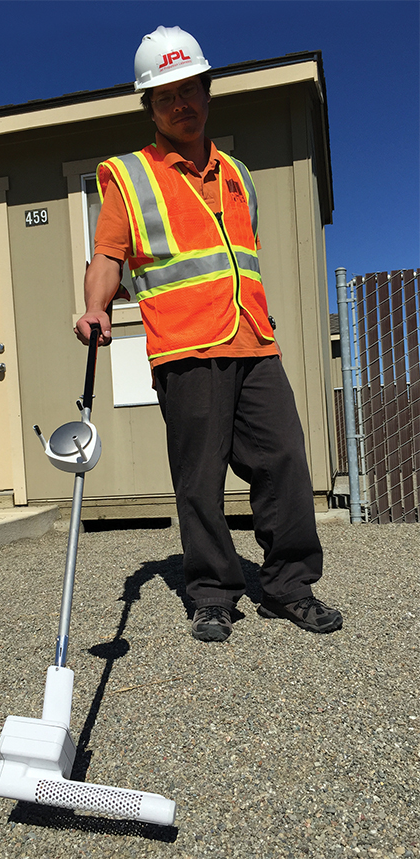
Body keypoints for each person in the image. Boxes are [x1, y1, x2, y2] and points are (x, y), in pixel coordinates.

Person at [74, 26, 342, 642]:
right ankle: (213, 592)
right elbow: (108, 256)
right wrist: (96, 309)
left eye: (189, 88)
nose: (180, 103)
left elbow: (239, 259)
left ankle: (287, 586)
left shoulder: (238, 175)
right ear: (149, 106)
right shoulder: (128, 175)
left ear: (206, 90)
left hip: (253, 341)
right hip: (185, 348)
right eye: (165, 95)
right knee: (200, 476)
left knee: (285, 461)